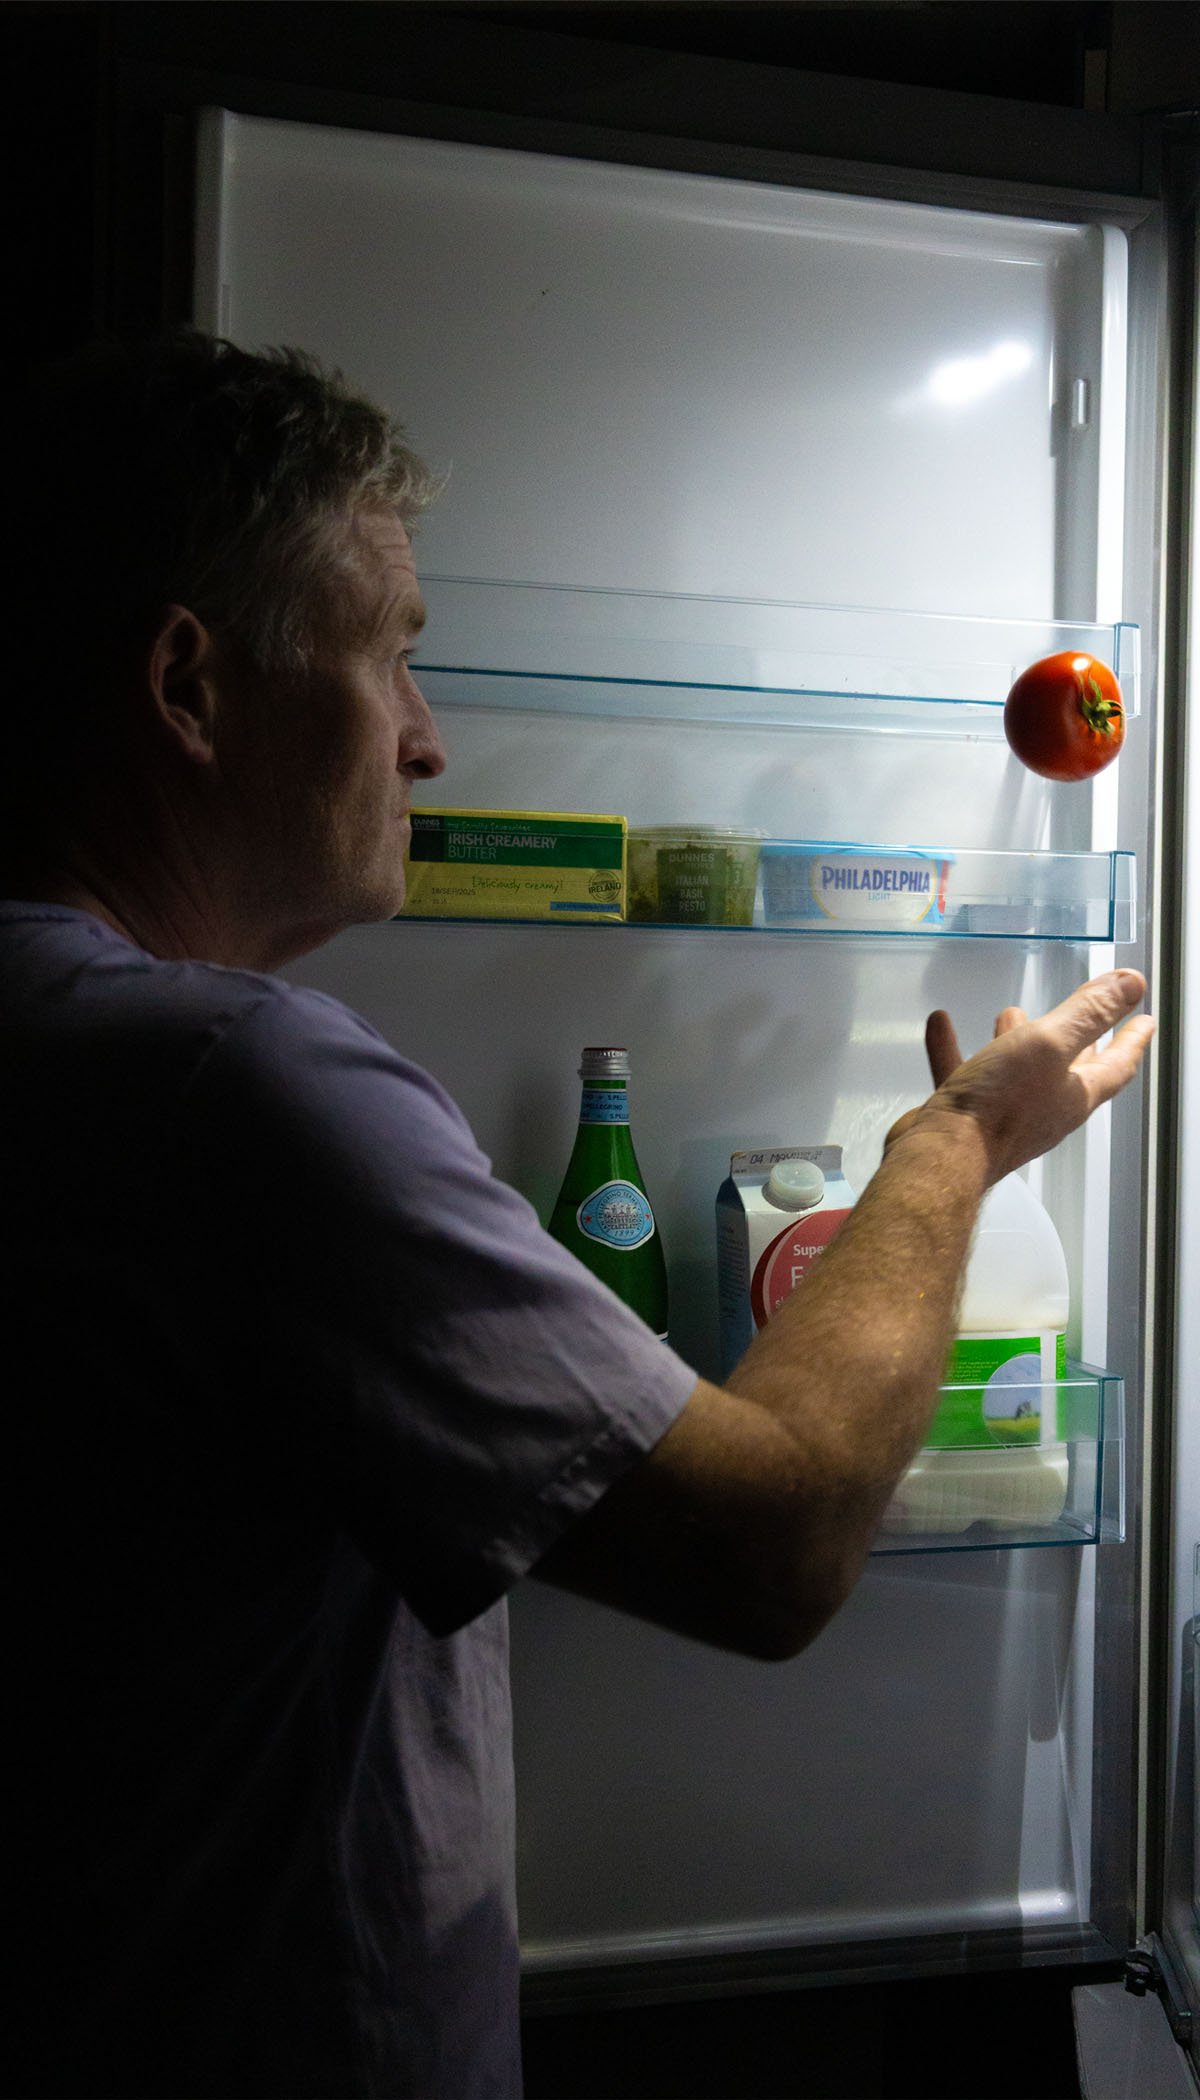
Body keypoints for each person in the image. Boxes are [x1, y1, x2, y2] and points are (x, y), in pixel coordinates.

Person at [0, 330, 1153, 2100]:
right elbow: (770, 1545)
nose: (430, 742)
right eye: (390, 656)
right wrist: (951, 1150)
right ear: (189, 684)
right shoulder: (234, 1083)